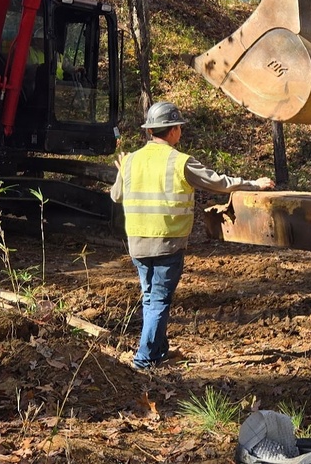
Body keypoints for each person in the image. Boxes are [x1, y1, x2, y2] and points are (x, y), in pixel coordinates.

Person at [111, 101, 275, 371]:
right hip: (167, 241)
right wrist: (254, 184)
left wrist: (122, 172)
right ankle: (143, 360)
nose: (181, 133)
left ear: (152, 130)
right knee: (158, 299)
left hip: (137, 244)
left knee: (151, 296)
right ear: (172, 130)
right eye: (179, 128)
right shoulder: (180, 162)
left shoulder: (129, 161)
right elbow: (219, 183)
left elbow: (116, 196)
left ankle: (158, 350)